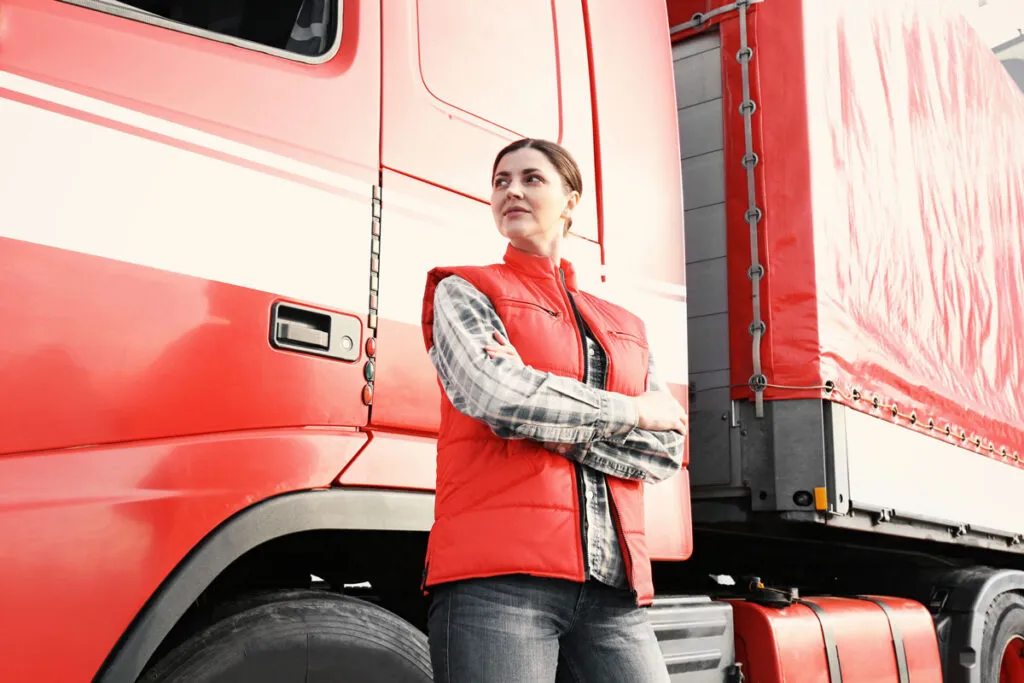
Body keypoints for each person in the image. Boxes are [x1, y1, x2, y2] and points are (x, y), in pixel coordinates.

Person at [420, 138, 687, 682]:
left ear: (571, 200)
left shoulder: (626, 326)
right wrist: (632, 412)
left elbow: (667, 449)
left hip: (615, 590)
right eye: (500, 181)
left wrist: (553, 423)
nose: (511, 190)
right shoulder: (465, 289)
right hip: (499, 583)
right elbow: (498, 396)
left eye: (531, 179)